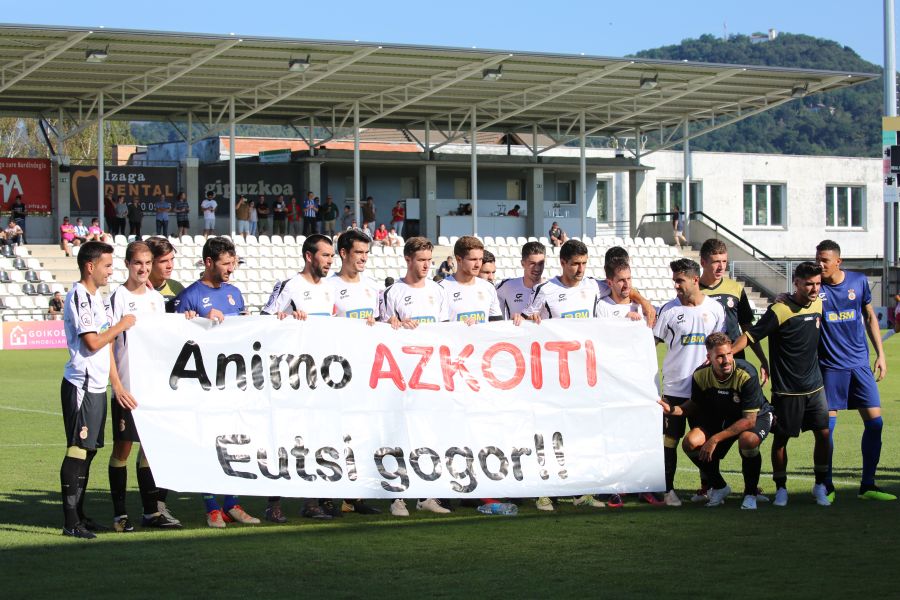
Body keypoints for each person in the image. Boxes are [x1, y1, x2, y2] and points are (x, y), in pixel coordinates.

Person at [172, 237, 261, 528]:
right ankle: (211, 507)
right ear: (209, 262)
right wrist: (196, 320)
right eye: (226, 263)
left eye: (233, 263)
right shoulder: (190, 296)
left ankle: (231, 504)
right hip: (203, 385)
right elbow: (175, 340)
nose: (230, 269)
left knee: (234, 442)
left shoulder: (235, 293)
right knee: (208, 444)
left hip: (233, 383)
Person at [515, 239, 608, 512]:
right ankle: (544, 492)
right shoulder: (546, 290)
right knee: (548, 434)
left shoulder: (593, 286)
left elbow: (621, 289)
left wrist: (644, 305)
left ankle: (582, 491)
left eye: (584, 263)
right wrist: (525, 321)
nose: (580, 269)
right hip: (554, 377)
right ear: (563, 263)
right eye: (575, 264)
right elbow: (527, 322)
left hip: (586, 376)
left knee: (581, 434)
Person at [732, 262, 832, 507]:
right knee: (781, 440)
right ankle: (781, 488)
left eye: (818, 284)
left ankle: (820, 485)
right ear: (796, 282)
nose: (814, 289)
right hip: (787, 391)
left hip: (815, 387)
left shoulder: (820, 302)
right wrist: (726, 354)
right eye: (809, 284)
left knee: (824, 434)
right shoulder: (780, 309)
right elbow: (751, 335)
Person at [107, 241, 187, 531]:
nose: (143, 269)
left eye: (147, 263)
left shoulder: (156, 299)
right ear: (128, 264)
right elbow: (109, 344)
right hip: (127, 389)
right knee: (123, 450)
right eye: (138, 263)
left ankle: (151, 512)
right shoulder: (119, 297)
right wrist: (116, 385)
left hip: (152, 389)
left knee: (151, 449)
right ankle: (119, 514)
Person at [58, 241, 135, 539]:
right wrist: (121, 325)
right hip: (82, 383)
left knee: (88, 452)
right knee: (77, 450)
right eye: (107, 265)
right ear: (90, 267)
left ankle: (81, 515)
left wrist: (114, 382)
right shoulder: (80, 296)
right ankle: (69, 521)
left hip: (97, 385)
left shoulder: (96, 296)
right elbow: (92, 342)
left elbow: (104, 344)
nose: (110, 271)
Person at [259, 233, 336, 522]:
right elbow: (265, 321)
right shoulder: (290, 286)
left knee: (315, 436)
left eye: (331, 256)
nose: (329, 261)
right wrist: (288, 321)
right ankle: (273, 503)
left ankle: (311, 501)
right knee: (283, 437)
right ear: (309, 256)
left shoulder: (329, 289)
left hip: (321, 375)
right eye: (325, 255)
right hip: (291, 374)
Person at [813, 240, 894, 502]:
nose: (820, 264)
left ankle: (868, 485)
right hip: (830, 367)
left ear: (839, 261)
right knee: (827, 430)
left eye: (825, 259)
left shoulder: (858, 282)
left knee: (875, 423)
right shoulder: (816, 287)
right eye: (818, 259)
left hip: (859, 364)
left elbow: (870, 317)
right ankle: (827, 485)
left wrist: (880, 354)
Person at [659, 332, 774, 511]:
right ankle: (719, 487)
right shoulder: (700, 375)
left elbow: (749, 421)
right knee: (690, 442)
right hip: (725, 416)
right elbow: (693, 405)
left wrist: (714, 439)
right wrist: (673, 410)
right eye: (720, 356)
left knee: (748, 441)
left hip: (756, 416)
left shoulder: (746, 373)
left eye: (728, 354)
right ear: (709, 357)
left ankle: (751, 493)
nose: (726, 360)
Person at [695, 238, 770, 502]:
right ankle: (708, 485)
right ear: (703, 262)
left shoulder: (735, 289)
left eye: (724, 262)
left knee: (745, 424)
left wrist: (762, 360)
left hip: (735, 366)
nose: (720, 267)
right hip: (705, 367)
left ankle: (752, 486)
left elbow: (749, 328)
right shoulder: (694, 288)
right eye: (715, 262)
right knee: (704, 423)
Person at [379, 236, 451, 517]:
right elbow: (380, 332)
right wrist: (392, 325)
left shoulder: (438, 290)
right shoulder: (392, 292)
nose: (425, 265)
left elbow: (446, 330)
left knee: (430, 434)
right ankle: (398, 496)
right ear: (408, 259)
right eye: (420, 260)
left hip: (433, 375)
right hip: (401, 377)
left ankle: (427, 495)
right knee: (401, 435)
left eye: (429, 260)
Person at [651, 258, 726, 506]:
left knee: (700, 441)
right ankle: (668, 490)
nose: (676, 285)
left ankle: (710, 487)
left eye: (680, 280)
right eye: (674, 281)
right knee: (669, 441)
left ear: (695, 279)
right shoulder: (669, 310)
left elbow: (720, 345)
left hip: (704, 390)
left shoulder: (715, 309)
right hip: (673, 388)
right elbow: (652, 344)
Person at [328, 229, 383, 516]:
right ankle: (327, 495)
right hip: (335, 374)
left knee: (361, 434)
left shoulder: (373, 287)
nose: (363, 258)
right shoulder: (328, 286)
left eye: (366, 253)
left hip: (366, 373)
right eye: (358, 253)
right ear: (344, 253)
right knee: (334, 433)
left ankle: (355, 494)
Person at [496, 241, 545, 319]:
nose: (537, 268)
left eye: (541, 263)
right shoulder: (507, 286)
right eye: (532, 263)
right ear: (522, 263)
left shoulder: (551, 289)